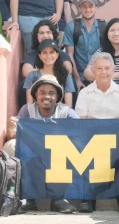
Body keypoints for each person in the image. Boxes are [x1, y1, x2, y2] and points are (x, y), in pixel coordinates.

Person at [4, 75, 78, 214]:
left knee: (66, 150)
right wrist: (10, 129)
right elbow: (14, 137)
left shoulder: (67, 113)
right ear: (36, 95)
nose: (46, 96)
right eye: (42, 92)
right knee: (10, 145)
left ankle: (58, 200)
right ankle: (28, 198)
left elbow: (80, 135)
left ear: (57, 97)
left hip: (57, 156)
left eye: (51, 93)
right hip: (33, 154)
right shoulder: (27, 110)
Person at [75, 52, 119, 214]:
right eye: (99, 68)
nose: (103, 72)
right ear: (92, 71)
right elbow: (81, 124)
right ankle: (88, 197)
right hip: (90, 140)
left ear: (113, 70)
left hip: (116, 140)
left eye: (107, 68)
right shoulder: (84, 93)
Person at [83, 18, 119, 113]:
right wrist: (103, 78)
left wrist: (112, 76)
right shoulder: (100, 52)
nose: (116, 33)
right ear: (107, 33)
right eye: (112, 30)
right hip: (104, 91)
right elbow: (87, 73)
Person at [63, 0, 103, 89]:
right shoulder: (71, 26)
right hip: (79, 75)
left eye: (91, 6)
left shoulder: (104, 26)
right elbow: (70, 55)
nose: (87, 9)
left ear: (96, 8)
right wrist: (77, 80)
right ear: (80, 9)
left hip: (100, 75)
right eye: (84, 7)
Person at [23, 39, 76, 107]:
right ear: (40, 55)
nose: (48, 56)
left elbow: (68, 106)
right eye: (44, 52)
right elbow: (29, 105)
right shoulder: (32, 76)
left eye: (51, 52)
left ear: (57, 55)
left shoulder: (65, 76)